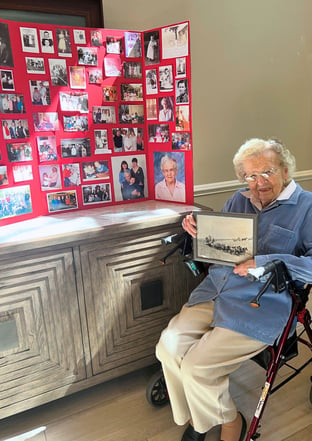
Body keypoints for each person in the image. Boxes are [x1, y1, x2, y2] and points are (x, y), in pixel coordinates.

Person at [155, 138, 312, 441]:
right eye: (250, 176)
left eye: (267, 171)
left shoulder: (307, 208)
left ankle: (229, 420)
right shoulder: (238, 200)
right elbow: (217, 249)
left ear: (285, 170)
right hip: (216, 290)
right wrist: (198, 232)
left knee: (197, 367)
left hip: (260, 304)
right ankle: (202, 415)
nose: (259, 182)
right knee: (168, 347)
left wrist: (264, 261)